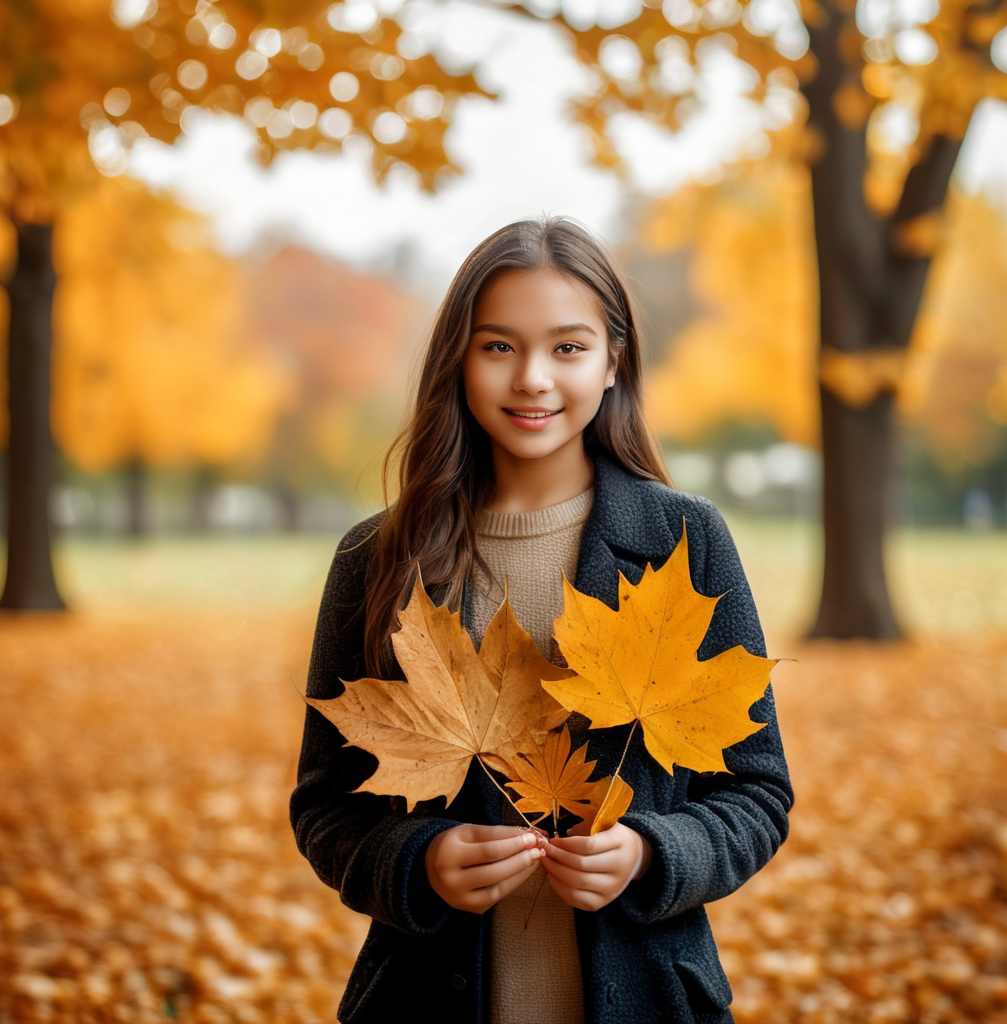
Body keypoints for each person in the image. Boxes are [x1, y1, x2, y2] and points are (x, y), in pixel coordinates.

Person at [290, 217, 793, 1024]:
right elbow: (325, 808)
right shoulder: (376, 559)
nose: (532, 378)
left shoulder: (685, 542)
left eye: (567, 348)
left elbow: (758, 793)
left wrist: (652, 855)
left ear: (612, 359)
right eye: (498, 347)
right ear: (457, 357)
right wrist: (416, 863)